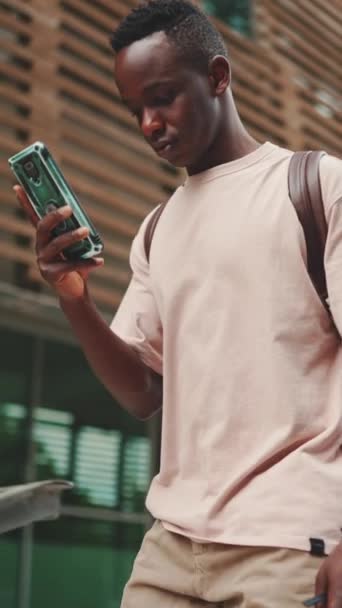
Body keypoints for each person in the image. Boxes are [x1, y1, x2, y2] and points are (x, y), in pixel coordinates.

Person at [14, 1, 342, 606]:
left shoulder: (317, 187)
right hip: (170, 547)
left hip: (290, 543)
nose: (148, 124)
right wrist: (73, 299)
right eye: (135, 108)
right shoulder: (158, 228)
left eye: (163, 97)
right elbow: (142, 393)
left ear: (218, 76)